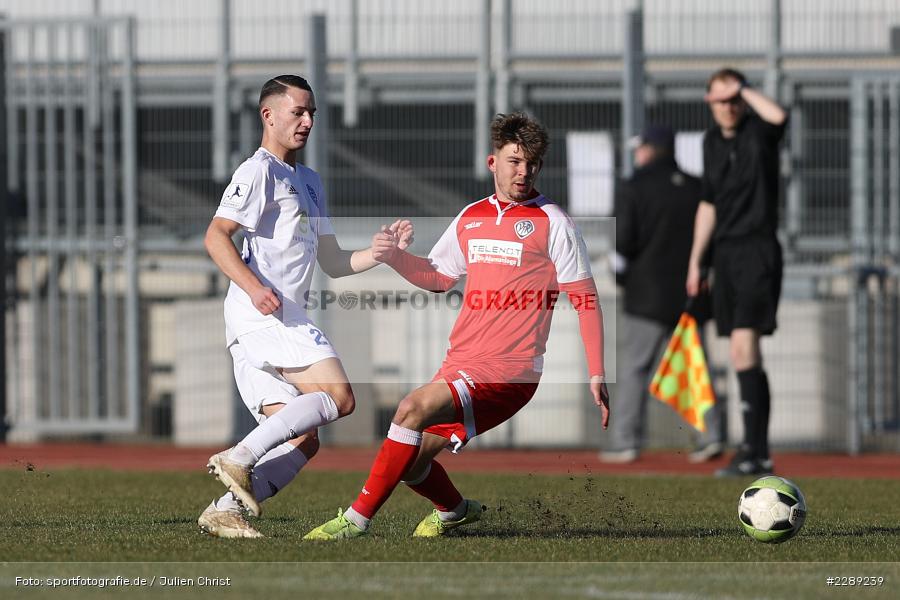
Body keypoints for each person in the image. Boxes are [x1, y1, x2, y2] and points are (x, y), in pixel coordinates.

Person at [302, 111, 610, 540]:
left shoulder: (554, 222)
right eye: (514, 161)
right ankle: (455, 510)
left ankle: (354, 521)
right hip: (461, 362)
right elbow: (438, 277)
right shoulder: (472, 217)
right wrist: (393, 257)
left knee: (410, 408)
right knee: (411, 461)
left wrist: (596, 371)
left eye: (532, 164)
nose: (524, 172)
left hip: (509, 370)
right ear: (492, 163)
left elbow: (585, 299)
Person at [199, 75, 412, 537]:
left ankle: (223, 510)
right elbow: (216, 237)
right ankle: (237, 458)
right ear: (268, 115)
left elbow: (333, 261)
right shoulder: (257, 171)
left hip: (273, 318)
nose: (308, 121)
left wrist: (379, 254)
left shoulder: (310, 182)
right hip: (263, 315)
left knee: (303, 439)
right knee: (340, 396)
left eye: (312, 112)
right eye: (298, 111)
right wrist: (255, 287)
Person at [686, 68, 787, 477]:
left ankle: (754, 450)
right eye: (719, 99)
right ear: (709, 103)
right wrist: (697, 260)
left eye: (733, 99)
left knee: (745, 346)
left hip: (757, 249)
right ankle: (756, 449)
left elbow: (779, 117)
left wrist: (743, 88)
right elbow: (708, 203)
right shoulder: (709, 142)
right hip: (724, 255)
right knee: (740, 352)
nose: (727, 107)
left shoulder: (759, 132)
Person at [603, 124, 723, 464]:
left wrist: (620, 275)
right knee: (696, 368)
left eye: (640, 148)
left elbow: (624, 239)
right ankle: (711, 435)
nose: (637, 154)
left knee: (636, 368)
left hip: (646, 294)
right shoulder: (696, 188)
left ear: (650, 149)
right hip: (690, 292)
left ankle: (627, 440)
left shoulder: (635, 186)